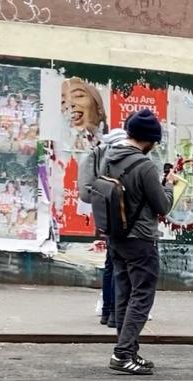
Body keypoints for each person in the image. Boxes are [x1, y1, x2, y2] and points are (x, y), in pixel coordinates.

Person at [98, 109, 175, 375]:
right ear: (149, 139)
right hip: (140, 238)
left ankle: (128, 350)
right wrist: (169, 185)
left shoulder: (109, 159)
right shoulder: (144, 166)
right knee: (141, 295)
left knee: (124, 294)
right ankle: (122, 353)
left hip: (116, 235)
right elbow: (162, 205)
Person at [79, 124, 130, 328]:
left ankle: (107, 311)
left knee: (111, 263)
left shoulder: (101, 150)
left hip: (105, 213)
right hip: (122, 215)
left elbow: (89, 189)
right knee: (121, 266)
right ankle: (117, 314)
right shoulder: (121, 154)